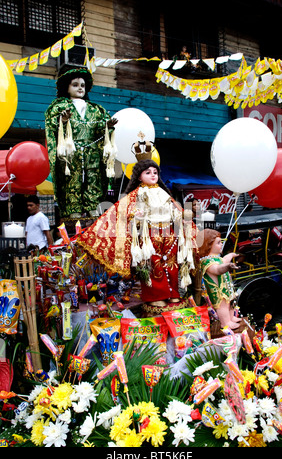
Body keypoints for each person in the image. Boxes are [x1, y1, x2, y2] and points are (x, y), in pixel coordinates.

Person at [77, 159, 201, 314]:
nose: (153, 175)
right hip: (148, 238)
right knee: (153, 266)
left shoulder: (164, 193)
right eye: (148, 172)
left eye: (155, 172)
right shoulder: (136, 195)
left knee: (172, 265)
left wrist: (181, 218)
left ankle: (173, 294)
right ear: (139, 177)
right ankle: (158, 296)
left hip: (170, 236)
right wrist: (135, 216)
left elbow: (177, 211)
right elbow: (121, 214)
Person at [45, 67, 117, 219]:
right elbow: (53, 127)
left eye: (82, 85)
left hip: (91, 153)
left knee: (93, 180)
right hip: (72, 153)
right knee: (72, 181)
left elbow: (99, 129)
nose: (80, 88)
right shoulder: (59, 107)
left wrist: (107, 127)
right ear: (67, 88)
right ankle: (73, 209)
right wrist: (63, 121)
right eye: (75, 85)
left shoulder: (96, 109)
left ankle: (92, 206)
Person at [198, 228, 241, 329]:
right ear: (208, 245)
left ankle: (231, 318)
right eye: (218, 243)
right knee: (222, 306)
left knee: (229, 303)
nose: (221, 245)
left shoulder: (216, 258)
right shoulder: (206, 262)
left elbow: (223, 260)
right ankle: (225, 322)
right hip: (217, 292)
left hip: (225, 289)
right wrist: (228, 267)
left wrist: (230, 255)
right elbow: (217, 269)